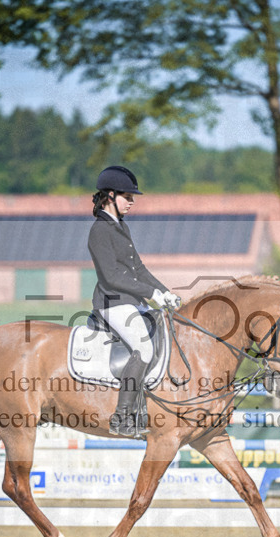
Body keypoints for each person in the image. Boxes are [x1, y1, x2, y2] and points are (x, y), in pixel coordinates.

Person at [88, 166, 180, 437]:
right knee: (144, 349)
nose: (132, 201)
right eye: (127, 196)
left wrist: (165, 293)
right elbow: (112, 275)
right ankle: (122, 418)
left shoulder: (121, 227)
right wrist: (150, 295)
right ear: (110, 196)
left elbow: (138, 268)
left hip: (130, 301)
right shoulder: (99, 231)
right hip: (112, 303)